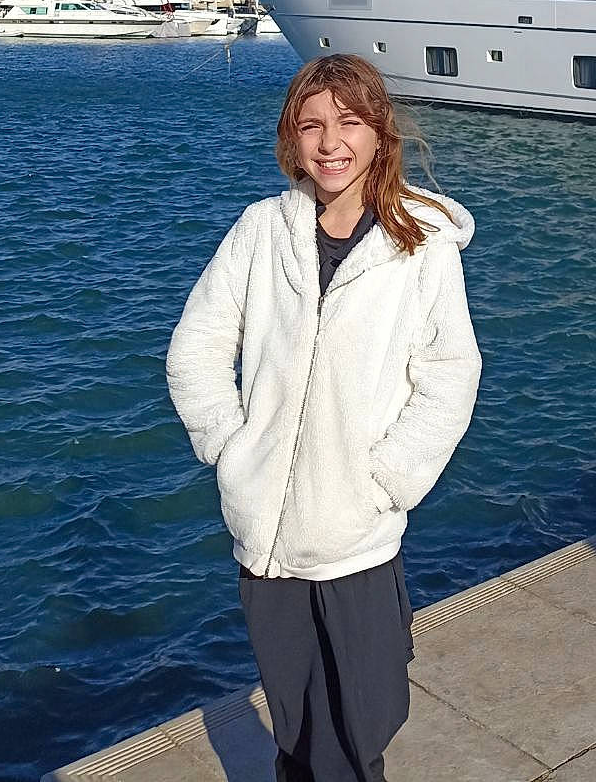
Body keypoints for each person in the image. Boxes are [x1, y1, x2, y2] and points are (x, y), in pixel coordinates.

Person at [166, 54, 483, 782]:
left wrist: (385, 479)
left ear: (379, 131)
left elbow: (448, 373)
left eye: (348, 120)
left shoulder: (421, 242)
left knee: (360, 722)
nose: (329, 140)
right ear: (290, 138)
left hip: (355, 536)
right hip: (266, 539)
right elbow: (197, 348)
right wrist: (231, 446)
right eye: (310, 124)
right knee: (297, 726)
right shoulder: (260, 229)